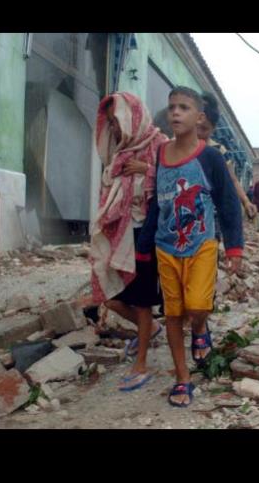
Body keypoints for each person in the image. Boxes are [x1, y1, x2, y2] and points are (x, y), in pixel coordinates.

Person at [137, 86, 244, 407]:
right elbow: (158, 201)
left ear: (198, 117)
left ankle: (200, 328)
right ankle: (182, 379)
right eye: (171, 107)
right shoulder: (161, 154)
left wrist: (235, 248)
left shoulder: (209, 156)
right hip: (166, 247)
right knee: (172, 313)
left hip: (201, 244)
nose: (175, 113)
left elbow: (228, 203)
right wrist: (144, 246)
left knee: (197, 306)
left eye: (183, 107)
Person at [88, 92, 164, 392]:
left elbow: (177, 181)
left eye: (118, 120)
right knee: (110, 295)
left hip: (145, 235)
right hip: (118, 233)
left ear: (133, 116)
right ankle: (152, 330)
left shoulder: (159, 145)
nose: (116, 128)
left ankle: (142, 362)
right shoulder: (119, 151)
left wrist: (147, 171)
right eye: (111, 123)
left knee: (142, 302)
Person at [196, 93, 257, 221]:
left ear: (213, 129)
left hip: (210, 213)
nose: (199, 133)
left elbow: (233, 180)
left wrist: (246, 202)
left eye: (204, 129)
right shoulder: (177, 147)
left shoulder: (218, 151)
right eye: (197, 127)